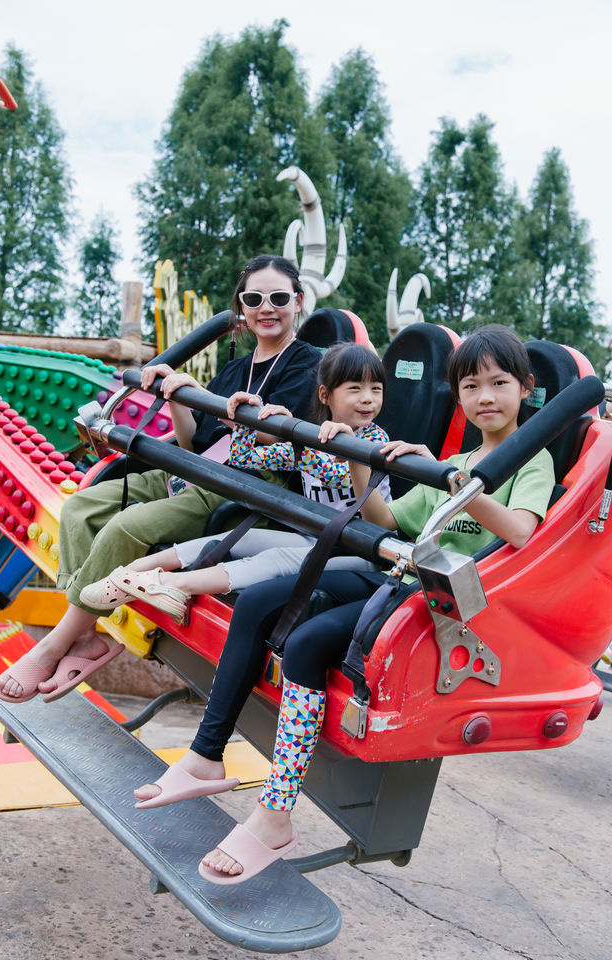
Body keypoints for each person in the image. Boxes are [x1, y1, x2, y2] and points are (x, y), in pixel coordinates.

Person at [152, 324, 554, 885]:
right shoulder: (451, 458)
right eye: (470, 386)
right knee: (263, 601)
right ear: (457, 396)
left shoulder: (530, 463)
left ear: (526, 388)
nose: (485, 397)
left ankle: (274, 812)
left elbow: (518, 535)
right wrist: (365, 460)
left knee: (308, 642)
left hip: (444, 601)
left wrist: (460, 483)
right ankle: (206, 755)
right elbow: (385, 523)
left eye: (498, 383)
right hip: (396, 571)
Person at [0, 255, 321, 704]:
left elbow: (269, 432)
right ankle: (87, 632)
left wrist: (204, 395)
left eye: (279, 297)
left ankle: (56, 641)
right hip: (197, 470)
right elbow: (192, 444)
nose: (267, 307)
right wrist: (177, 396)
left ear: (298, 302)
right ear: (241, 307)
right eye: (253, 298)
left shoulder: (309, 363)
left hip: (247, 484)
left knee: (126, 527)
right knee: (79, 507)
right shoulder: (233, 369)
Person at [78, 342, 391, 621]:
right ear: (326, 395)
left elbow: (338, 475)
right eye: (355, 389)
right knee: (240, 537)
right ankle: (125, 575)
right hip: (317, 538)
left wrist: (297, 439)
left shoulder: (373, 440)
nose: (368, 399)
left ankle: (171, 586)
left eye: (376, 389)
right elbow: (244, 459)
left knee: (274, 558)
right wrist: (246, 422)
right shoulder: (312, 439)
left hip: (361, 550)